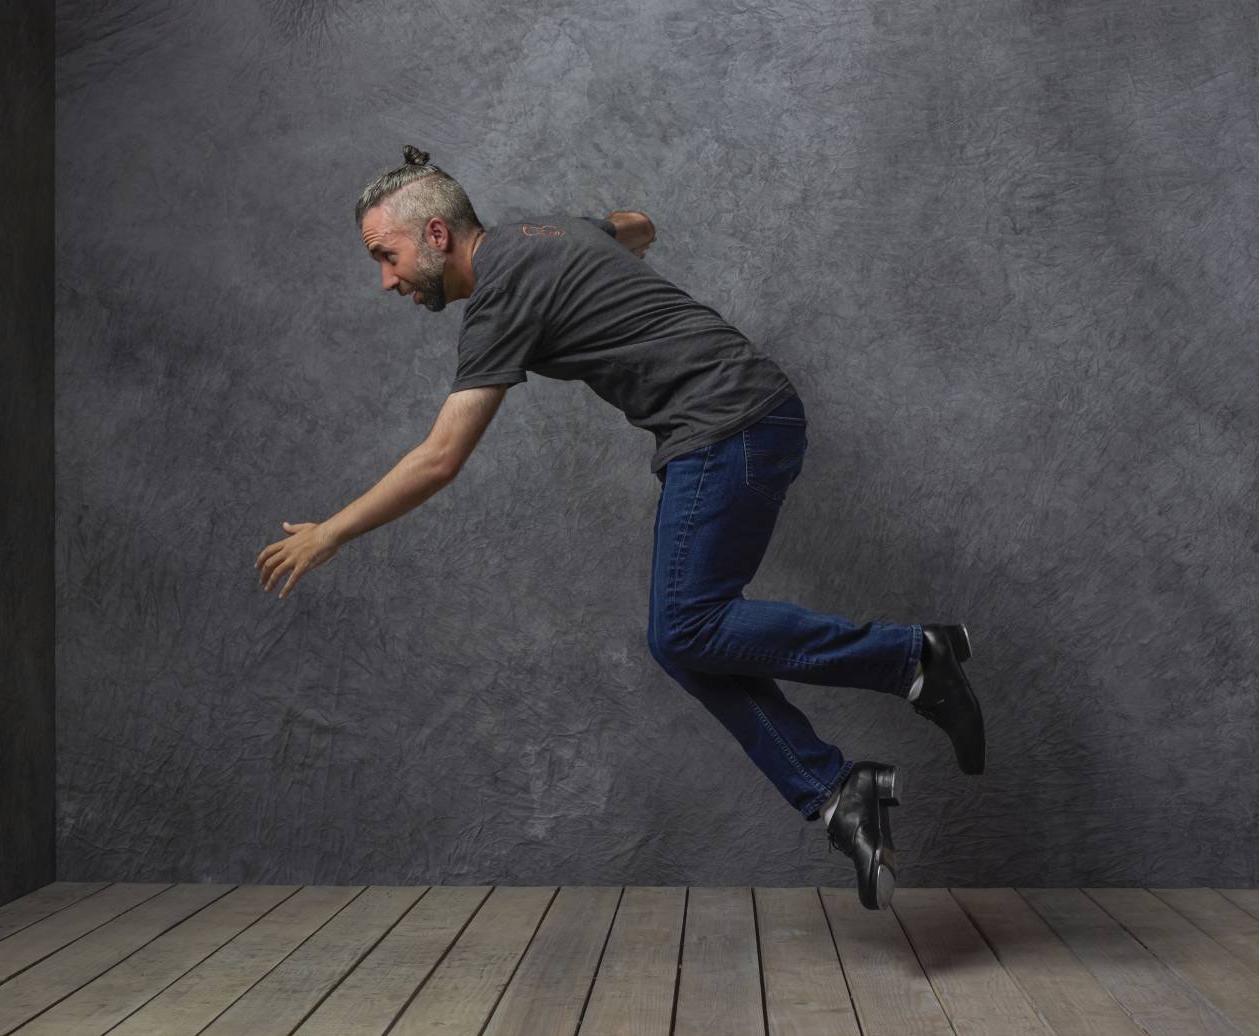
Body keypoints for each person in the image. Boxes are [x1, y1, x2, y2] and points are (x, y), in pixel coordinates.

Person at [254, 145, 986, 910]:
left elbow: (440, 459)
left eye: (387, 255)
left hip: (725, 422)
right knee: (686, 640)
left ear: (436, 235)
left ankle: (912, 658)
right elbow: (638, 224)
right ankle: (839, 792)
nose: (386, 280)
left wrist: (330, 532)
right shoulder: (546, 233)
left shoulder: (500, 295)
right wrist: (613, 243)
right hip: (743, 419)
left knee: (687, 629)